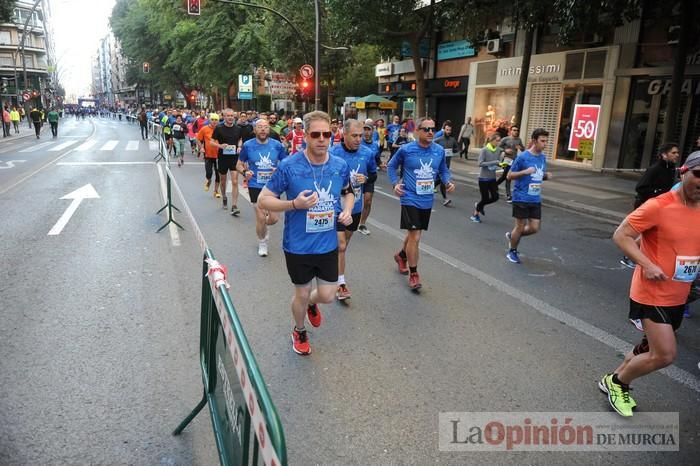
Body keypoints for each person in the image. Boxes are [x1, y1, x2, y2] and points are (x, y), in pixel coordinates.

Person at [598, 151, 700, 417]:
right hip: (651, 292)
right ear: (683, 172)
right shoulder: (659, 205)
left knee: (648, 347)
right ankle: (618, 383)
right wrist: (647, 264)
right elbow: (622, 235)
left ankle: (615, 374)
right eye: (698, 174)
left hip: (679, 292)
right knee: (665, 355)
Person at [258, 111, 354, 355]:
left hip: (327, 244)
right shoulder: (289, 166)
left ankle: (312, 303)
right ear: (306, 137)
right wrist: (293, 205)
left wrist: (348, 210)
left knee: (328, 295)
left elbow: (347, 191)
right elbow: (264, 199)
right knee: (300, 292)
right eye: (316, 134)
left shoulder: (340, 165)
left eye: (327, 134)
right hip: (298, 245)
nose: (322, 139)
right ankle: (299, 330)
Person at [388, 117, 454, 290]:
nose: (431, 132)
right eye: (426, 129)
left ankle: (401, 255)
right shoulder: (406, 149)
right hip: (409, 197)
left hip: (427, 199)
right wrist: (395, 184)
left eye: (433, 129)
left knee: (413, 235)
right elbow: (391, 165)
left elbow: (443, 170)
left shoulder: (439, 150)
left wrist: (448, 181)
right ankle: (414, 274)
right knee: (415, 236)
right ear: (417, 131)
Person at [329, 119, 377, 300]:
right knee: (341, 244)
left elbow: (373, 174)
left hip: (355, 207)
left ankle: (334, 266)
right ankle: (340, 283)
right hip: (335, 206)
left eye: (360, 135)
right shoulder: (333, 153)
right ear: (344, 134)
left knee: (344, 244)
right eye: (354, 135)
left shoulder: (367, 152)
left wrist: (366, 179)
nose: (359, 139)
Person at [620, 143, 680, 269]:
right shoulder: (655, 169)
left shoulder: (671, 168)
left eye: (677, 153)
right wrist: (658, 194)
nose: (677, 155)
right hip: (647, 205)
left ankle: (634, 256)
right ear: (664, 154)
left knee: (650, 233)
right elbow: (640, 187)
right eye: (673, 153)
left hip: (661, 206)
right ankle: (629, 256)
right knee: (645, 234)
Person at [237, 118, 287, 257]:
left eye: (265, 127)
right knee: (260, 216)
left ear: (269, 129)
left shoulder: (277, 145)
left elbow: (286, 163)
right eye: (260, 127)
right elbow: (238, 164)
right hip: (255, 185)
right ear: (255, 130)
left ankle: (263, 227)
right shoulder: (248, 145)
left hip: (272, 186)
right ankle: (262, 242)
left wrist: (277, 169)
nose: (263, 129)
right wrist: (245, 172)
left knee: (274, 219)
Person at [505, 128, 552, 264]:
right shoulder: (523, 157)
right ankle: (512, 251)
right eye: (542, 141)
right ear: (534, 141)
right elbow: (509, 176)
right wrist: (525, 171)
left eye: (546, 141)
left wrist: (545, 176)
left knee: (534, 228)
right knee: (520, 226)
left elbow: (537, 175)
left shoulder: (543, 158)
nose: (545, 144)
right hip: (521, 196)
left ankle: (513, 236)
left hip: (535, 197)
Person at [211, 109, 243, 215]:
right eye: (228, 116)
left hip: (234, 157)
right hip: (223, 158)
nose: (230, 117)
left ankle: (234, 205)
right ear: (224, 117)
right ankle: (224, 196)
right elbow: (212, 141)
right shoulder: (219, 128)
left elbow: (240, 139)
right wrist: (220, 146)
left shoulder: (238, 128)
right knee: (223, 181)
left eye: (232, 116)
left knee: (234, 181)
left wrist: (239, 146)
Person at [470, 133, 501, 223]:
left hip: (492, 178)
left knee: (495, 197)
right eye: (497, 140)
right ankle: (475, 215)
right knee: (485, 198)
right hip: (483, 178)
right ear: (492, 140)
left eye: (499, 141)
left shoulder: (498, 150)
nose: (498, 142)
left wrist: (501, 166)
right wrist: (493, 162)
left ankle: (478, 205)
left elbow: (496, 163)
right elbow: (480, 163)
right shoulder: (484, 150)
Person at [358, 121, 382, 235]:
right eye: (365, 129)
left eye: (369, 130)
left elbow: (376, 158)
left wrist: (381, 163)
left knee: (367, 201)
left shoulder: (375, 145)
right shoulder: (358, 142)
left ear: (373, 131)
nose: (366, 132)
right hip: (357, 175)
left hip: (369, 176)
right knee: (352, 200)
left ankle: (362, 224)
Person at [433, 123, 459, 206]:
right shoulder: (438, 140)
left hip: (447, 164)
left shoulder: (452, 140)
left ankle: (429, 187)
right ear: (444, 130)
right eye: (447, 130)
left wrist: (453, 151)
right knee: (443, 181)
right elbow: (431, 147)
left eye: (450, 130)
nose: (448, 131)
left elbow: (456, 149)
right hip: (438, 164)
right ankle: (445, 199)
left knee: (439, 180)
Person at [196, 113, 221, 197]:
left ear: (218, 121)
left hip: (219, 156)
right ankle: (209, 180)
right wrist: (201, 148)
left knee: (218, 174)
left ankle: (216, 191)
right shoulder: (204, 129)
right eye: (212, 119)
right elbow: (198, 139)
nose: (214, 121)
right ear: (209, 120)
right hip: (208, 155)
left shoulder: (221, 129)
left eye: (216, 120)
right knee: (209, 173)